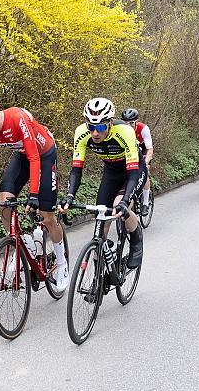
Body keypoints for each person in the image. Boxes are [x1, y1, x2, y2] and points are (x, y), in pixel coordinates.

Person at [0, 89, 68, 290]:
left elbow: (35, 158)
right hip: (22, 156)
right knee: (4, 203)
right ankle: (25, 242)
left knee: (46, 216)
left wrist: (34, 195)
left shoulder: (17, 118)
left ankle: (62, 263)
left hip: (43, 155)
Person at [59, 98, 146, 270]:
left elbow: (133, 172)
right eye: (91, 127)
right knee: (101, 220)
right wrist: (69, 196)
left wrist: (125, 200)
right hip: (111, 172)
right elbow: (76, 169)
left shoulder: (125, 132)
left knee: (120, 207)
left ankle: (136, 238)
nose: (95, 133)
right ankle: (97, 277)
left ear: (110, 123)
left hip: (133, 171)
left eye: (100, 128)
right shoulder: (81, 132)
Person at [122, 108, 153, 216]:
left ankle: (145, 203)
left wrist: (146, 163)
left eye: (131, 123)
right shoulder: (121, 130)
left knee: (145, 172)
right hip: (130, 151)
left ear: (136, 121)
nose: (129, 126)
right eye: (126, 123)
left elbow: (150, 149)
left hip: (143, 149)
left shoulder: (143, 129)